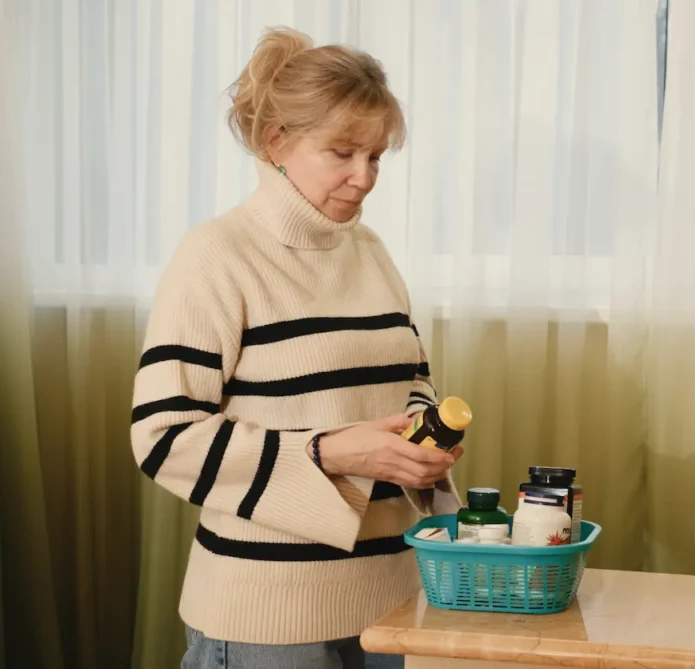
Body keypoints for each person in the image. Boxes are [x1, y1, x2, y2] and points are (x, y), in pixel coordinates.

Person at [129, 27, 462, 669]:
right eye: (341, 153)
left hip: (393, 601)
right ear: (277, 141)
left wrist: (424, 441)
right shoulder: (216, 257)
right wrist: (330, 452)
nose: (363, 179)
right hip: (266, 617)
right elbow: (163, 437)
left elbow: (410, 383)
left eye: (376, 157)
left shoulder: (370, 251)